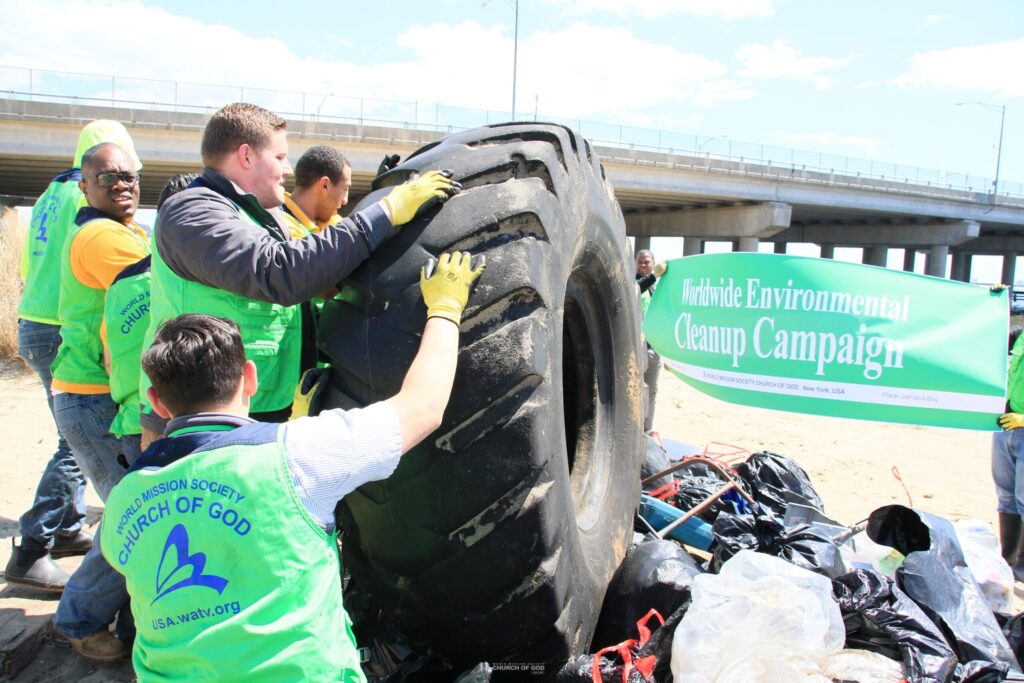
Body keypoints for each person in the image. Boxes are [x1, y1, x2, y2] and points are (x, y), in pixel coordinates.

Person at [101, 251, 483, 681]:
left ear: (154, 401)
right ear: (250, 377)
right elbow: (422, 407)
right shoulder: (297, 456)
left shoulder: (122, 499)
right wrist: (446, 308)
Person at [139, 102, 459, 442]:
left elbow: (307, 276)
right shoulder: (192, 211)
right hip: (197, 422)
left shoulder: (258, 215)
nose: (288, 170)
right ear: (246, 156)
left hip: (256, 408)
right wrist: (385, 213)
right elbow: (280, 271)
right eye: (279, 157)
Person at [5, 121, 140, 591]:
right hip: (60, 327)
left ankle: (65, 529)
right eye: (112, 172)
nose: (122, 181)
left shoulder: (47, 197)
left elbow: (27, 262)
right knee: (75, 436)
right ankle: (33, 543)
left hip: (37, 315)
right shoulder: (81, 206)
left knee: (75, 432)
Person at [46, 142, 150, 661]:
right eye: (108, 177)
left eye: (129, 175)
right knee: (133, 515)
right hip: (92, 399)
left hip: (97, 397)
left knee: (132, 510)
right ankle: (78, 620)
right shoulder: (104, 237)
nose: (122, 183)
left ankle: (122, 621)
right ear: (83, 186)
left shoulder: (126, 232)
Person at [994, 327, 1024, 582]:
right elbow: (987, 342)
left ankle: (1022, 568)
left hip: (1022, 424)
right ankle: (1008, 560)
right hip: (1005, 427)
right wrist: (993, 300)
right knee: (1006, 498)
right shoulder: (1019, 336)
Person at [279, 144, 350, 238]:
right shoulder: (282, 226)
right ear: (325, 185)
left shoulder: (331, 221)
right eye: (345, 189)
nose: (345, 200)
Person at [635, 248, 665, 434]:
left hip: (655, 349)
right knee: (636, 392)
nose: (643, 265)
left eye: (647, 262)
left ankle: (647, 430)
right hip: (638, 349)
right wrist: (654, 275)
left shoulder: (659, 288)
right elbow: (637, 288)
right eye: (640, 262)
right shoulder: (633, 284)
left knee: (651, 392)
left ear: (653, 262)